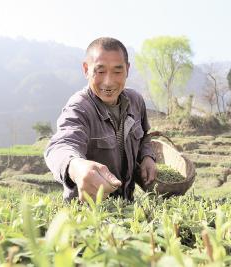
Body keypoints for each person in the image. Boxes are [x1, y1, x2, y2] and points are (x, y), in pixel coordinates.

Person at [44, 37, 157, 202]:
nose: (109, 82)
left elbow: (145, 136)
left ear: (127, 69)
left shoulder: (135, 101)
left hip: (125, 207)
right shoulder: (79, 108)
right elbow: (61, 146)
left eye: (117, 71)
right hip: (89, 212)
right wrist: (77, 167)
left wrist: (147, 156)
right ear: (86, 69)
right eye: (100, 71)